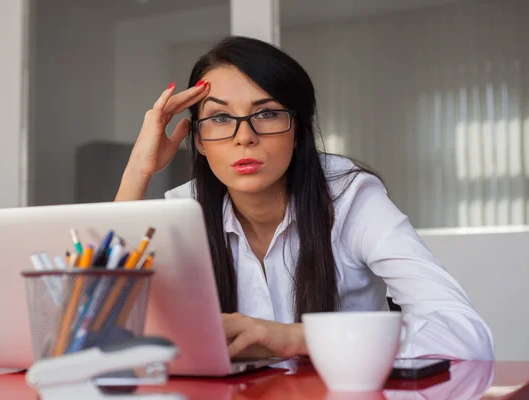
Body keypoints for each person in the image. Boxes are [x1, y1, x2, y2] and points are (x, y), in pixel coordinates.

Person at [115, 36, 494, 361]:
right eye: (219, 118)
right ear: (197, 139)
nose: (243, 136)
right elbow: (97, 327)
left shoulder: (349, 197)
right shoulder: (185, 211)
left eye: (266, 113)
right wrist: (138, 171)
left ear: (298, 130)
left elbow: (464, 335)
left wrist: (297, 339)